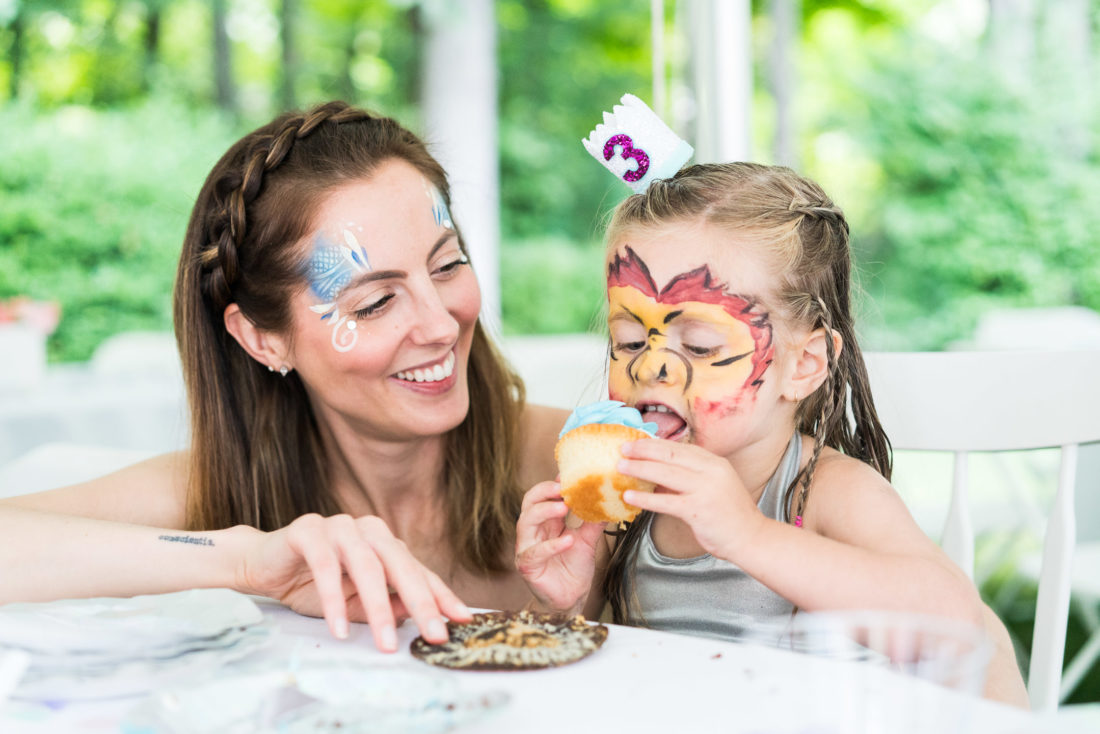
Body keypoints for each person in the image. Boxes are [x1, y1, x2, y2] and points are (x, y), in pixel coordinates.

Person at [0, 100, 566, 653]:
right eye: (374, 302)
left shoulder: (573, 465)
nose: (440, 325)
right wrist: (245, 561)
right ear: (261, 338)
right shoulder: (220, 489)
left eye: (447, 265)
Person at [515, 161, 1028, 706]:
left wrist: (746, 534)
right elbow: (598, 668)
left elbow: (955, 619)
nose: (651, 370)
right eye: (630, 341)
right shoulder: (627, 502)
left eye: (701, 347)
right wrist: (563, 603)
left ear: (804, 364)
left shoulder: (827, 492)